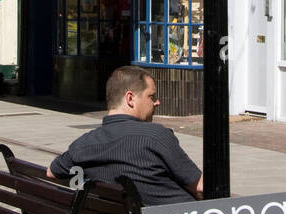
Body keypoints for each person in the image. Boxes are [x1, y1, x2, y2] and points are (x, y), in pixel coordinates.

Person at [47, 66, 203, 206]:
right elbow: (200, 187)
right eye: (152, 96)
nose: (157, 102)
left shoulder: (83, 144)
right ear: (130, 98)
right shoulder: (155, 136)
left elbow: (51, 172)